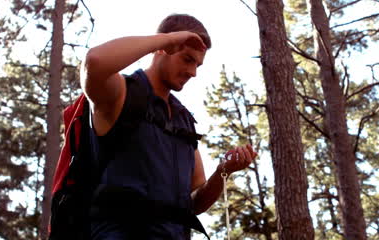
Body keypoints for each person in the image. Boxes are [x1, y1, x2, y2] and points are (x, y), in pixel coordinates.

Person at [81, 13, 257, 239]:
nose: (193, 72)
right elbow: (94, 61)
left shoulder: (183, 119)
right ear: (164, 47)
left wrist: (223, 171)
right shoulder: (121, 93)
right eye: (187, 59)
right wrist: (165, 39)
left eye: (198, 65)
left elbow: (193, 202)